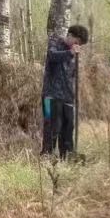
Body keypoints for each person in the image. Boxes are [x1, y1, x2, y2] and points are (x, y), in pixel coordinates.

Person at [41, 25, 89, 160]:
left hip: (67, 97)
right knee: (51, 127)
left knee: (68, 128)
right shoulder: (55, 42)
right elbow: (52, 56)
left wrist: (73, 95)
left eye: (80, 44)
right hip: (50, 95)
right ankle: (47, 157)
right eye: (77, 42)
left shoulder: (74, 54)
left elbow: (72, 76)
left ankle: (67, 157)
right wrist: (70, 53)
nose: (77, 46)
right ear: (70, 36)